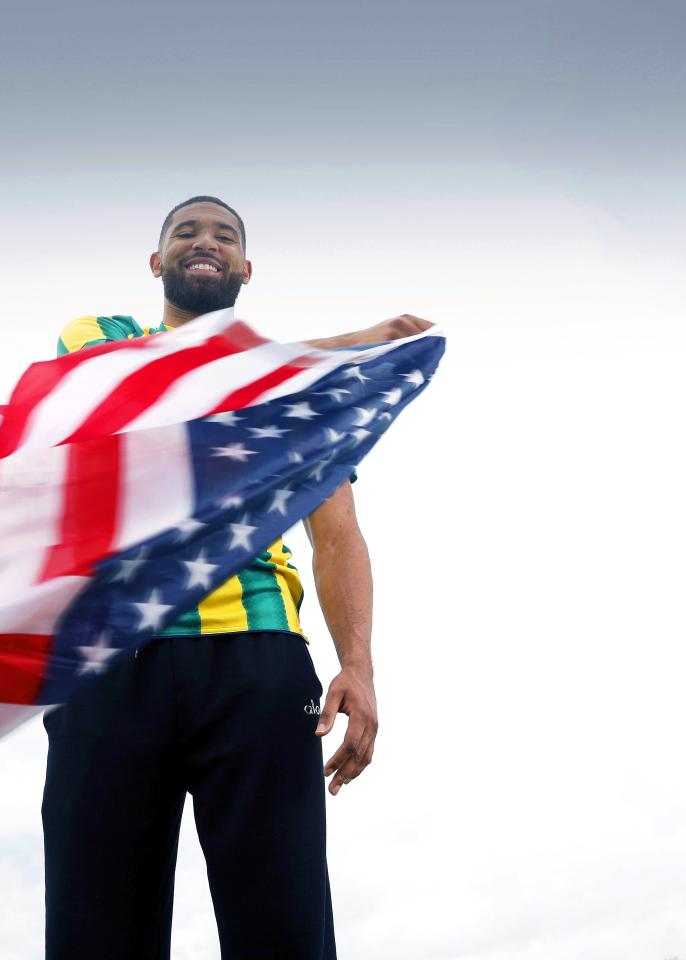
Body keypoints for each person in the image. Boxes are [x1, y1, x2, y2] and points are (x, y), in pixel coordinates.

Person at [42, 196, 432, 959]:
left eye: (225, 235)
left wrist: (359, 663)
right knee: (96, 935)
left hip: (256, 663)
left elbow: (338, 532)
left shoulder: (298, 396)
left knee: (284, 932)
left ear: (246, 269)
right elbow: (174, 381)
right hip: (110, 660)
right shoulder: (101, 337)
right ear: (156, 263)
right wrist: (348, 345)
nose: (205, 242)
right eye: (185, 231)